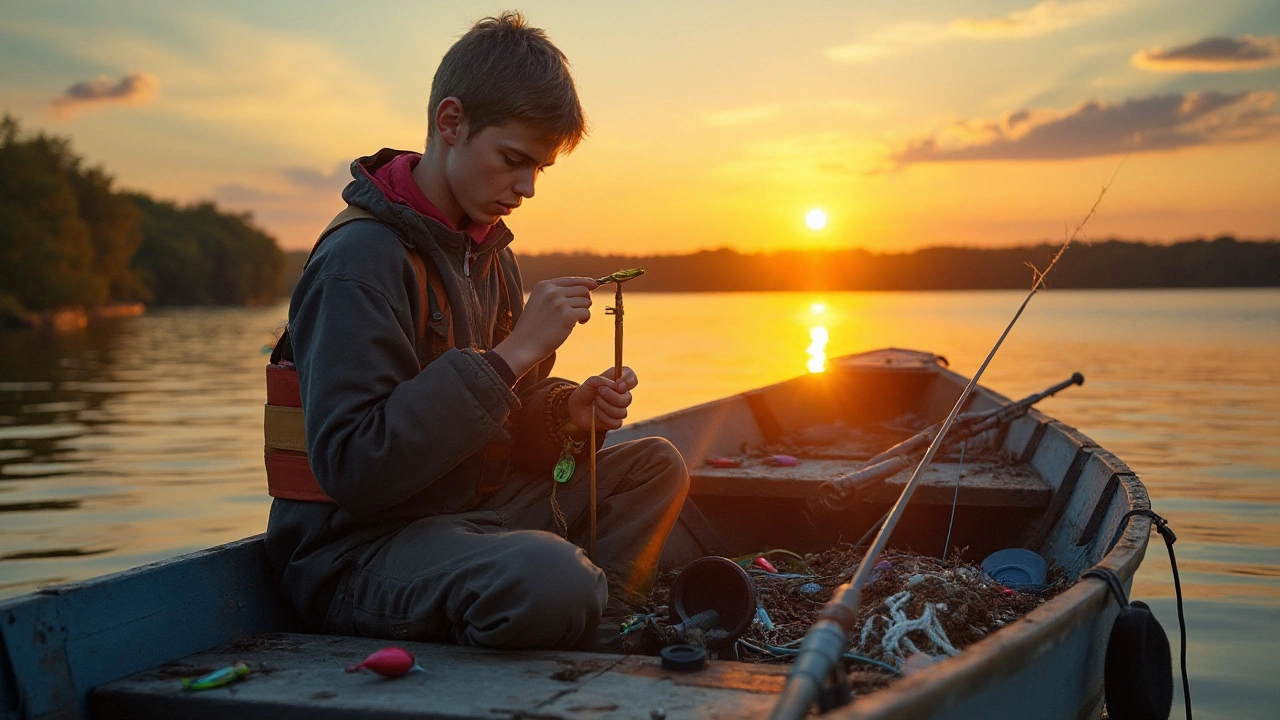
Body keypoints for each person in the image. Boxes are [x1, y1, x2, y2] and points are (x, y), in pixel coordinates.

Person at [264, 12, 689, 650]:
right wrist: (514, 353)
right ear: (451, 122)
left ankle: (604, 628)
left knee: (655, 466)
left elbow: (506, 430)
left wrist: (569, 414)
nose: (527, 188)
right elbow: (356, 468)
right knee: (546, 578)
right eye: (514, 160)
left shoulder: (489, 255)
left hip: (472, 516)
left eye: (540, 169)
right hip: (360, 550)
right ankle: (570, 606)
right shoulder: (359, 263)